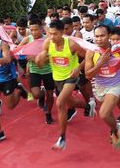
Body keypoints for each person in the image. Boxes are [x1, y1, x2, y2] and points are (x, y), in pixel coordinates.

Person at [36, 20, 87, 150]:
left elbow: (88, 56)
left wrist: (79, 68)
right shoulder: (48, 43)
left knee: (60, 103)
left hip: (71, 76)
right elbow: (42, 61)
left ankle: (62, 138)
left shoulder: (71, 45)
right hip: (57, 78)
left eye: (55, 34)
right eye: (50, 34)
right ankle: (87, 106)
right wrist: (40, 59)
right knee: (70, 102)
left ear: (62, 32)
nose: (52, 37)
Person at [85, 25, 120, 150]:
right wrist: (100, 63)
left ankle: (115, 129)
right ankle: (115, 127)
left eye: (102, 36)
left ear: (109, 36)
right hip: (100, 87)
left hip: (117, 85)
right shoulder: (91, 51)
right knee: (108, 112)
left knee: (103, 114)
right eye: (97, 36)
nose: (99, 39)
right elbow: (88, 75)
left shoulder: (118, 49)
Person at [18, 18, 55, 124]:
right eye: (31, 29)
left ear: (41, 29)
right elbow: (17, 50)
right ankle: (41, 95)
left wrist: (35, 58)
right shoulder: (27, 39)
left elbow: (52, 57)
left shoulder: (48, 40)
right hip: (35, 71)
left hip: (49, 71)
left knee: (50, 94)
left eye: (36, 30)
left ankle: (48, 113)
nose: (34, 32)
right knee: (36, 94)